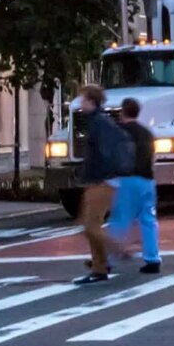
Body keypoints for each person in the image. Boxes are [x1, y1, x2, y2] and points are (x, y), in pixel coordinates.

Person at [72, 85, 132, 286]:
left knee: (90, 225)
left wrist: (106, 173)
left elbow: (109, 151)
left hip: (103, 180)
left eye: (83, 99)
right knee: (89, 224)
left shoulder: (100, 122)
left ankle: (117, 250)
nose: (81, 103)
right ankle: (100, 266)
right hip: (99, 179)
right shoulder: (98, 121)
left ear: (91, 101)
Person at [105, 98, 162, 275]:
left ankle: (106, 260)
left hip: (127, 179)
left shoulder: (120, 132)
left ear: (123, 112)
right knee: (148, 220)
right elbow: (153, 156)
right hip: (147, 180)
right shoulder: (147, 133)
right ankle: (152, 259)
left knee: (119, 219)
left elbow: (116, 157)